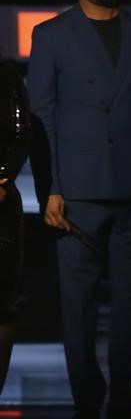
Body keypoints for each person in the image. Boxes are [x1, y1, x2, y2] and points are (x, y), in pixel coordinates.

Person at [26, 0, 131, 419]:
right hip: (78, 190)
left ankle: (124, 394)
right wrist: (51, 189)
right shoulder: (51, 35)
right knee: (78, 305)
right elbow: (42, 118)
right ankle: (87, 398)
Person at [0, 62, 32, 395]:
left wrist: (3, 175)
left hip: (1, 200)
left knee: (2, 304)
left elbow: (23, 132)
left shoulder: (7, 76)